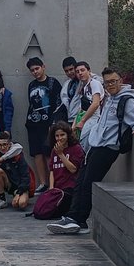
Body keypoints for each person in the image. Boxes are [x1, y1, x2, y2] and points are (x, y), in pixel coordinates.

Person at [47, 69, 134, 236]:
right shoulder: (109, 98)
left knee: (88, 183)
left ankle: (80, 220)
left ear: (120, 80)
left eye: (114, 81)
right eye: (107, 82)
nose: (111, 85)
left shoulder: (126, 100)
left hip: (108, 148)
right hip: (96, 145)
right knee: (80, 181)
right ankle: (73, 217)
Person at [25, 57, 62, 194]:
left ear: (43, 67)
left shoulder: (53, 82)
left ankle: (53, 182)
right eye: (32, 70)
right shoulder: (31, 85)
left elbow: (58, 104)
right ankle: (43, 183)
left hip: (48, 124)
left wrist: (53, 123)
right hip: (33, 123)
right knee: (37, 153)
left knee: (49, 153)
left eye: (37, 68)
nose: (35, 72)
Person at [47, 122, 85, 209]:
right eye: (57, 136)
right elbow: (52, 170)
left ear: (68, 135)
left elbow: (73, 169)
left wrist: (60, 154)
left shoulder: (76, 149)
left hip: (70, 188)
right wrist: (51, 188)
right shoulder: (54, 150)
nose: (59, 138)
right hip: (57, 189)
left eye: (62, 135)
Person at [0, 131, 31, 211]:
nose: (2, 148)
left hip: (20, 186)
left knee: (21, 204)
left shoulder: (17, 155)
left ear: (9, 144)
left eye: (4, 144)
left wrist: (19, 193)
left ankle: (21, 195)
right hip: (8, 184)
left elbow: (26, 176)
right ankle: (2, 199)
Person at [72, 61, 104, 140]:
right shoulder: (83, 87)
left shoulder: (94, 83)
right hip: (84, 118)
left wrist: (82, 121)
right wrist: (74, 125)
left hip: (94, 119)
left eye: (82, 70)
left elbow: (95, 103)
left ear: (89, 71)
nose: (80, 73)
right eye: (77, 72)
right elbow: (81, 108)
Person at [59, 56, 79, 124]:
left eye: (71, 69)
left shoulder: (86, 80)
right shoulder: (67, 84)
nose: (69, 72)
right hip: (71, 118)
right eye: (66, 71)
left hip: (84, 117)